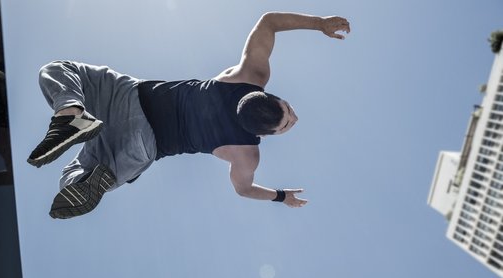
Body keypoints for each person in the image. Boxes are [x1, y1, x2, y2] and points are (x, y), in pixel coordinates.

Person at [27, 12, 350, 219]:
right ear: (267, 133)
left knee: (59, 70)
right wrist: (281, 197)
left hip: (128, 97)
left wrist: (319, 23)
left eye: (288, 119)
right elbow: (243, 190)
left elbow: (268, 22)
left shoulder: (250, 73)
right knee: (77, 178)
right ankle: (88, 172)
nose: (295, 119)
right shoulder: (247, 155)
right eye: (289, 117)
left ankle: (71, 112)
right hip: (142, 147)